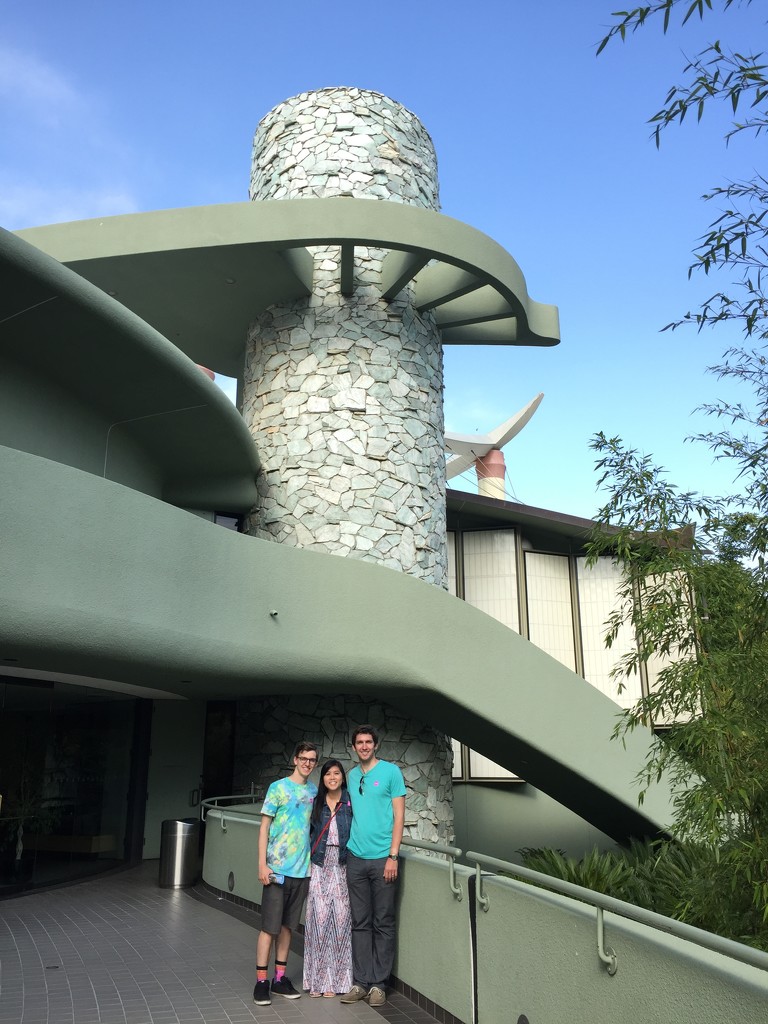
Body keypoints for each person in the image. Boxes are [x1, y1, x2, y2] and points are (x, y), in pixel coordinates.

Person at [341, 724, 406, 1008]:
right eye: (359, 742)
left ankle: (379, 984)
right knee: (360, 923)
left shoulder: (391, 772)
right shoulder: (352, 776)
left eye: (368, 741)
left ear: (376, 745)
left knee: (383, 922)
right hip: (355, 858)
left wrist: (393, 855)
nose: (364, 746)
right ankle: (361, 982)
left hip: (383, 859)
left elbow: (399, 815)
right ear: (353, 747)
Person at [253, 741, 318, 1006]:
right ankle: (261, 982)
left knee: (288, 926)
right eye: (303, 758)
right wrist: (262, 864)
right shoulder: (278, 788)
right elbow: (264, 828)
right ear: (295, 759)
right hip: (276, 870)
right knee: (269, 928)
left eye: (312, 760)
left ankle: (280, 978)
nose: (307, 763)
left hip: (301, 871)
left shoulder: (313, 791)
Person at [303, 759, 354, 998]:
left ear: (342, 777)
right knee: (318, 923)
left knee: (341, 923)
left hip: (342, 867)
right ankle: (318, 981)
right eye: (327, 774)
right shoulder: (317, 803)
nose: (332, 777)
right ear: (322, 778)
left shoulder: (351, 802)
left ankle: (337, 982)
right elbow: (308, 834)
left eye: (336, 773)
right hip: (320, 867)